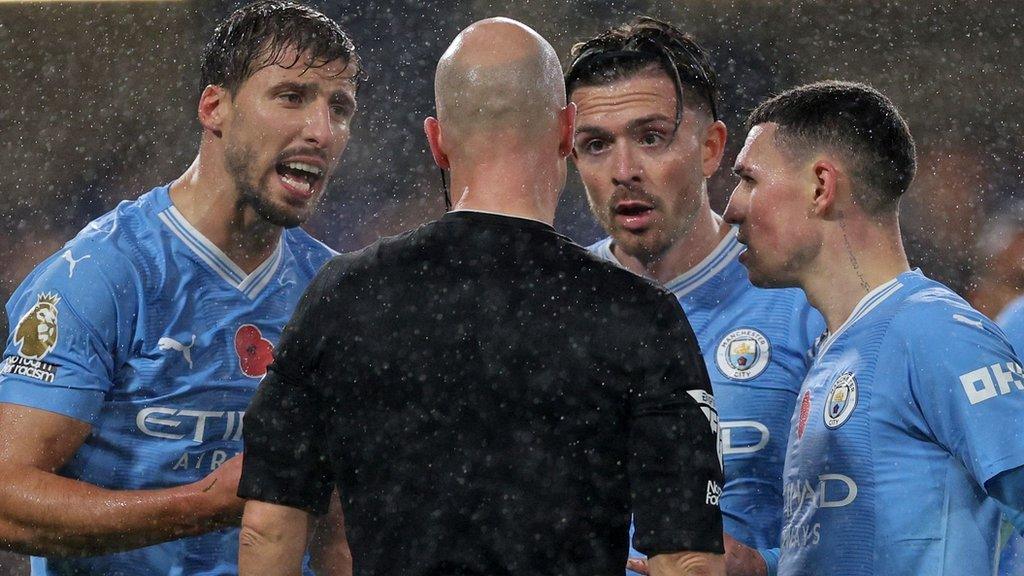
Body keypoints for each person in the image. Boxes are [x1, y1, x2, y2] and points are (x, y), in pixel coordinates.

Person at [237, 17, 725, 576]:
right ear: (566, 132)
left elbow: (269, 527)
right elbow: (686, 561)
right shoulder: (637, 313)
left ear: (437, 142)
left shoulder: (342, 295)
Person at [0, 2, 360, 574]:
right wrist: (201, 507)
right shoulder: (100, 276)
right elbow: (8, 503)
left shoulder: (337, 292)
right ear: (215, 107)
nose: (321, 130)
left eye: (339, 108)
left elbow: (340, 531)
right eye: (291, 97)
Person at [723, 80, 1024, 574]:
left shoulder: (935, 333)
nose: (732, 206)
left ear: (821, 187)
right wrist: (764, 567)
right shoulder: (837, 348)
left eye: (750, 180)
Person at [564, 17, 824, 576]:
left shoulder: (801, 306)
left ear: (711, 149)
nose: (624, 171)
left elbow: (878, 505)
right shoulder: (551, 309)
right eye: (596, 145)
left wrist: (764, 567)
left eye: (651, 137)